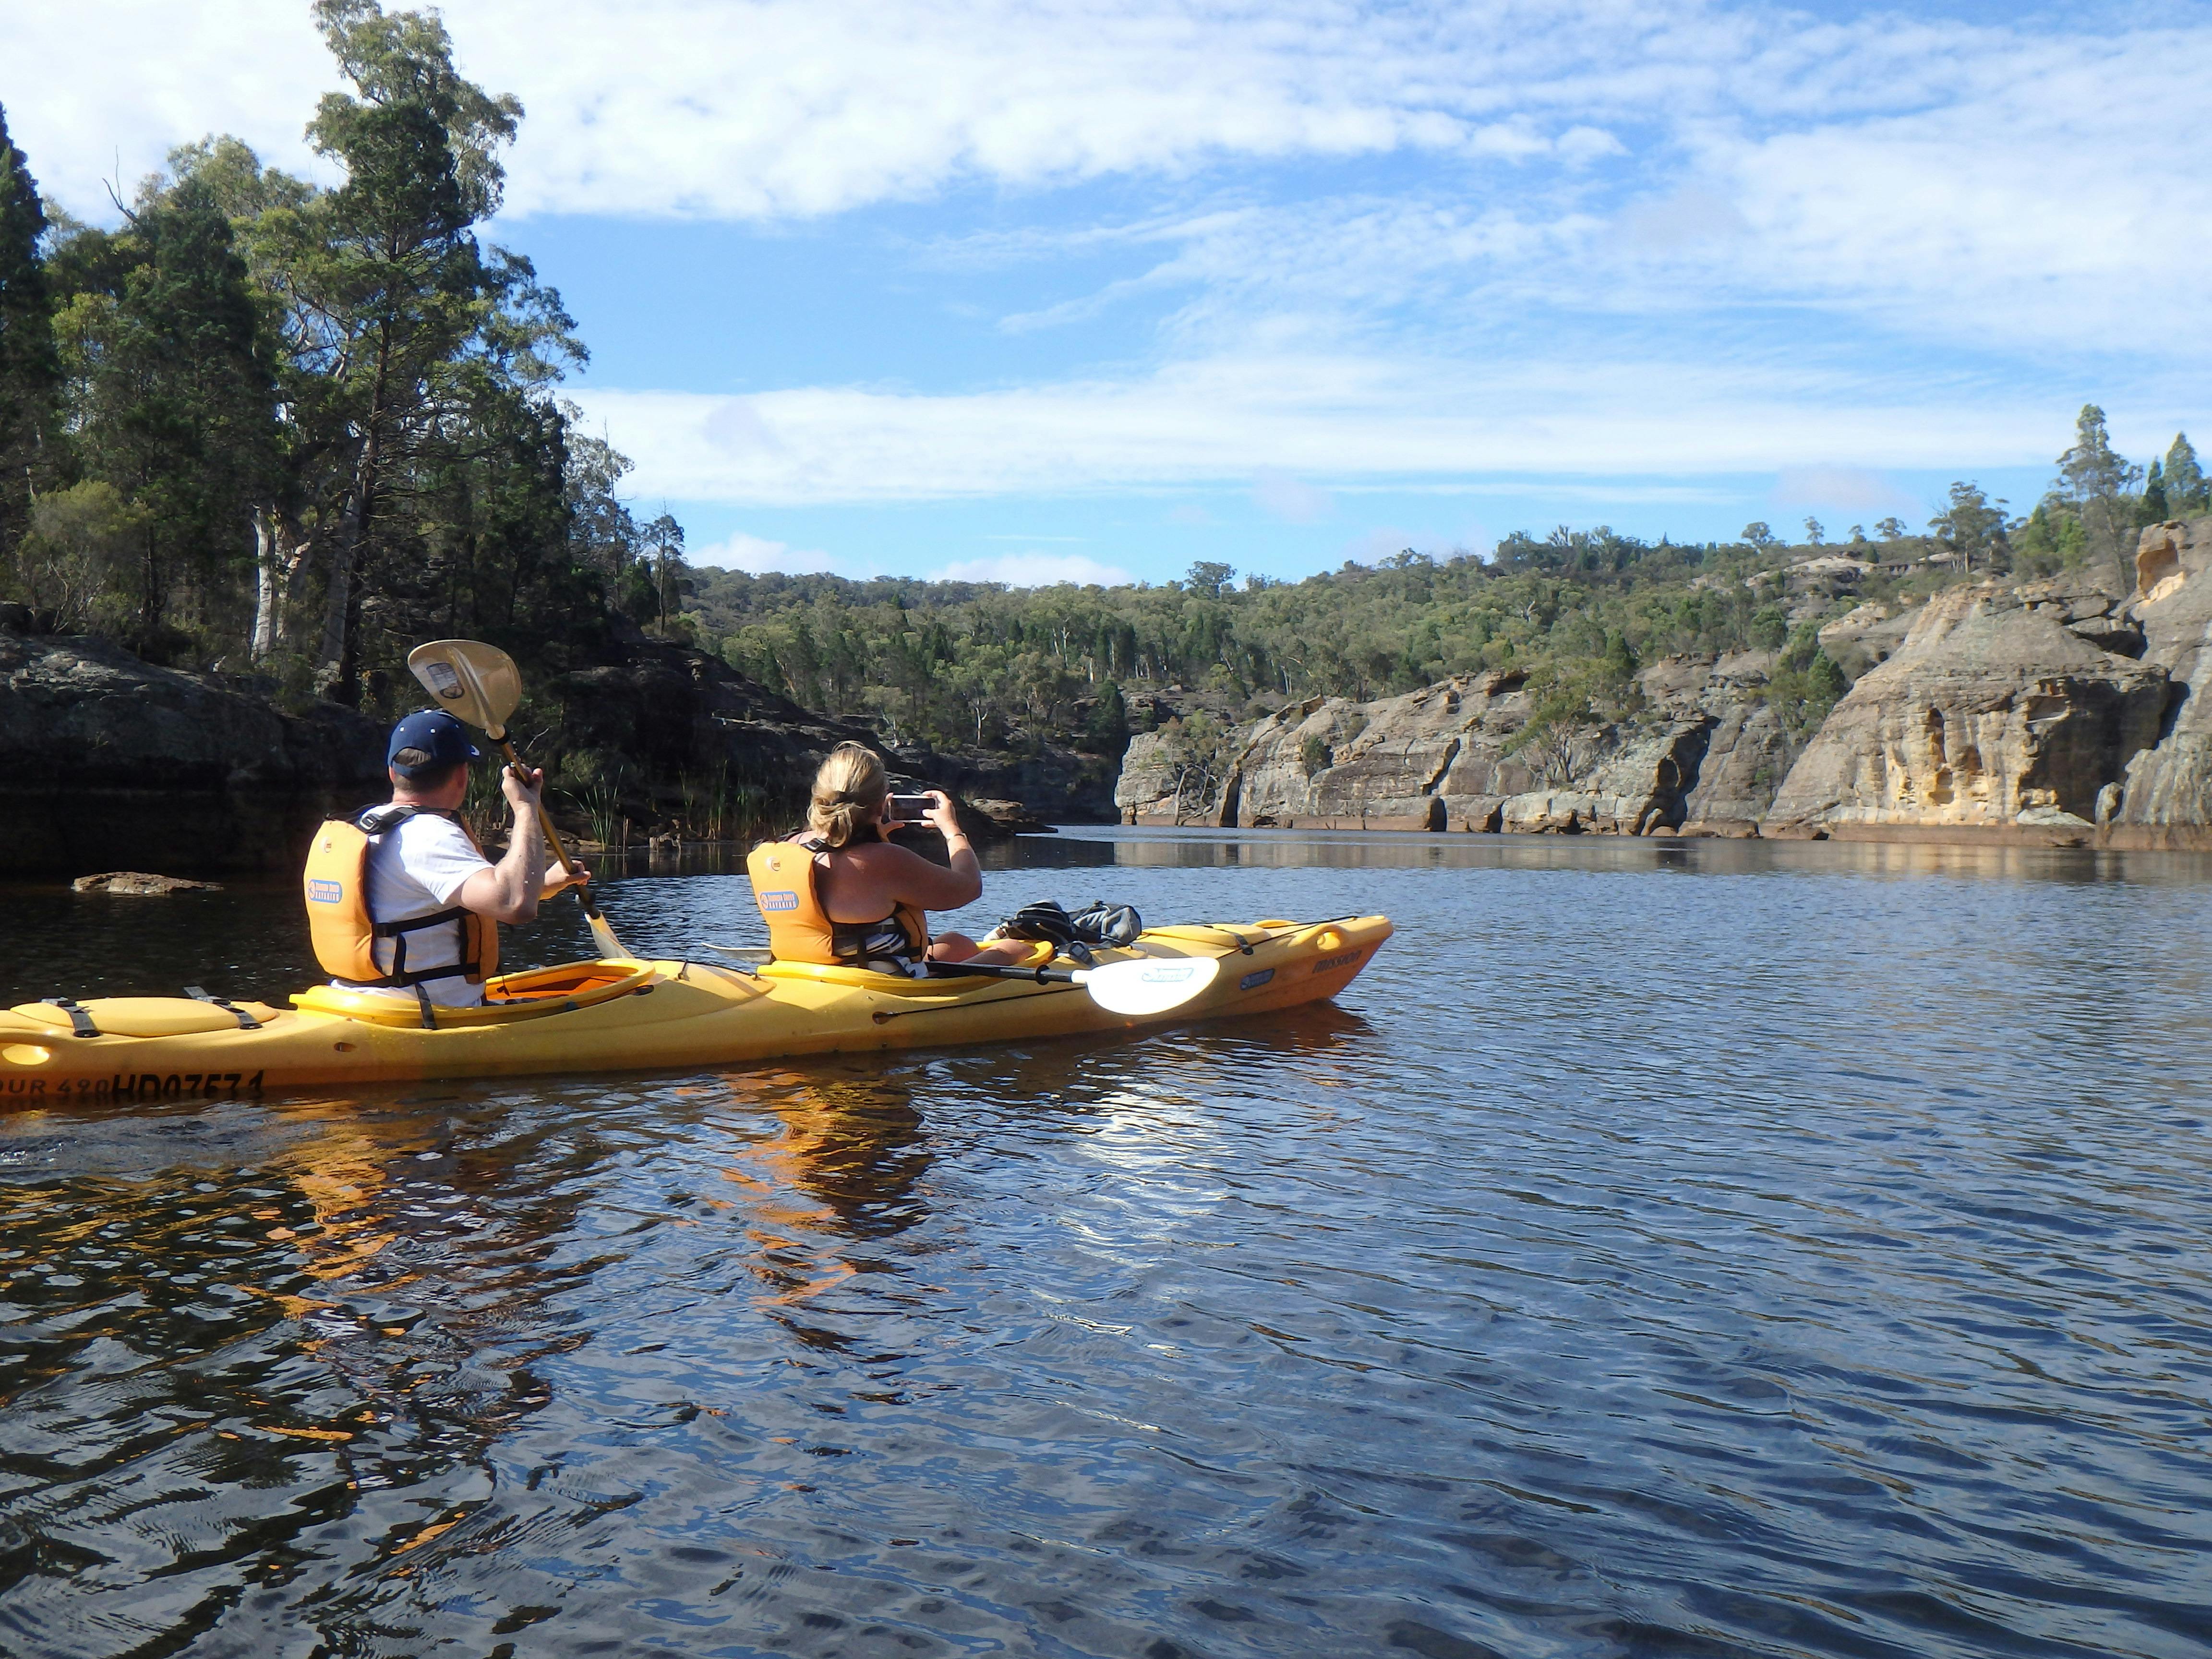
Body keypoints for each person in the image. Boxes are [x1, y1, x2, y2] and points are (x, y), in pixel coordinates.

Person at [303, 709, 586, 1012]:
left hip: (353, 1004)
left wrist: (543, 885)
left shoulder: (366, 824)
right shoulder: (429, 834)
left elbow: (422, 901)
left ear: (392, 773)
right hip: (423, 1018)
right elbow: (515, 904)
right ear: (462, 775)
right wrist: (526, 807)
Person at [745, 742, 1032, 974]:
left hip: (802, 971)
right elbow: (968, 888)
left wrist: (875, 838)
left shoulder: (778, 849)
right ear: (881, 803)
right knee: (1022, 949)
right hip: (880, 982)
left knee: (954, 943)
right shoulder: (883, 860)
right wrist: (952, 830)